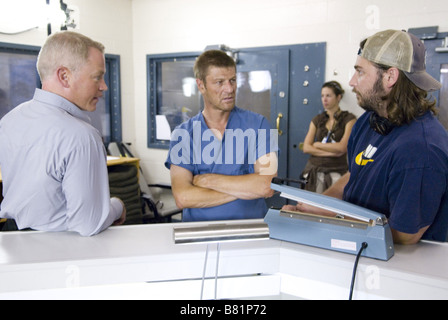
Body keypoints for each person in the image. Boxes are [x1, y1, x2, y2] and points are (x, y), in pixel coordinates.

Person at [284, 29, 448, 245]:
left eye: (360, 72)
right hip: (357, 245)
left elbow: (405, 235)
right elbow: (355, 175)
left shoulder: (420, 149)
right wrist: (319, 204)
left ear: (390, 76)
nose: (352, 81)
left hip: (399, 265)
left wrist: (329, 216)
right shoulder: (369, 122)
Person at [0, 31, 126, 236]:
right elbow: (88, 224)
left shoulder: (9, 121)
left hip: (10, 241)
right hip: (58, 251)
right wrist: (117, 206)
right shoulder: (81, 136)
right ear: (64, 76)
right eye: (98, 77)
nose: (104, 86)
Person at [165, 50, 278, 222]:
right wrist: (245, 189)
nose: (229, 89)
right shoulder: (183, 135)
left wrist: (208, 180)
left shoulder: (259, 125)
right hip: (199, 235)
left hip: (251, 232)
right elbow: (183, 197)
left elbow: (266, 186)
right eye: (219, 82)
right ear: (201, 85)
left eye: (232, 80)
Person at [301, 81, 356, 193]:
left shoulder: (349, 119)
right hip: (314, 168)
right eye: (322, 96)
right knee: (311, 206)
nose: (324, 99)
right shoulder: (317, 119)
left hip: (337, 169)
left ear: (338, 97)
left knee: (331, 206)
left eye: (328, 96)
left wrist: (317, 145)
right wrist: (332, 153)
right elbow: (306, 147)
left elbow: (342, 147)